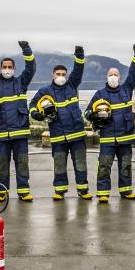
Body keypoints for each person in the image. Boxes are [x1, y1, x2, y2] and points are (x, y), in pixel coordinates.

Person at [0, 41, 36, 202]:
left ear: (14, 69)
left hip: (20, 132)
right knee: (2, 164)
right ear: (0, 68)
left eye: (10, 67)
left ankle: (23, 191)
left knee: (22, 163)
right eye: (5, 67)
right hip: (1, 133)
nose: (7, 69)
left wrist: (27, 50)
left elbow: (31, 69)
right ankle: (2, 191)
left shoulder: (21, 82)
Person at [29, 45, 92, 201]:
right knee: (59, 164)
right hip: (58, 136)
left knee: (80, 163)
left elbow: (78, 70)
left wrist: (79, 55)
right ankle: (59, 191)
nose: (61, 76)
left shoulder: (72, 85)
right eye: (58, 74)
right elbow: (32, 106)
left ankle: (83, 190)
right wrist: (38, 115)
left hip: (76, 134)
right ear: (53, 75)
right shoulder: (44, 91)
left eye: (64, 74)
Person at [84, 45, 135, 202]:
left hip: (125, 138)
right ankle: (103, 193)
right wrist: (95, 116)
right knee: (104, 166)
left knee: (126, 166)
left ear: (120, 79)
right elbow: (87, 113)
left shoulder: (126, 89)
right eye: (111, 75)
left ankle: (126, 191)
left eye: (116, 75)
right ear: (106, 78)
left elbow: (133, 73)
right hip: (108, 139)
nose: (113, 77)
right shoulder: (99, 94)